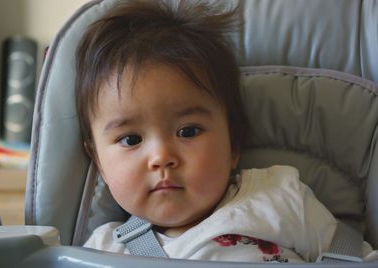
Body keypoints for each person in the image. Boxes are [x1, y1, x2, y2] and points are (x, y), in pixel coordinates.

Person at [75, 0, 377, 263]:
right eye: (131, 139)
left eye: (188, 131)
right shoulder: (106, 249)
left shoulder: (278, 198)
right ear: (98, 160)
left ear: (233, 145)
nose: (161, 157)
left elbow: (352, 257)